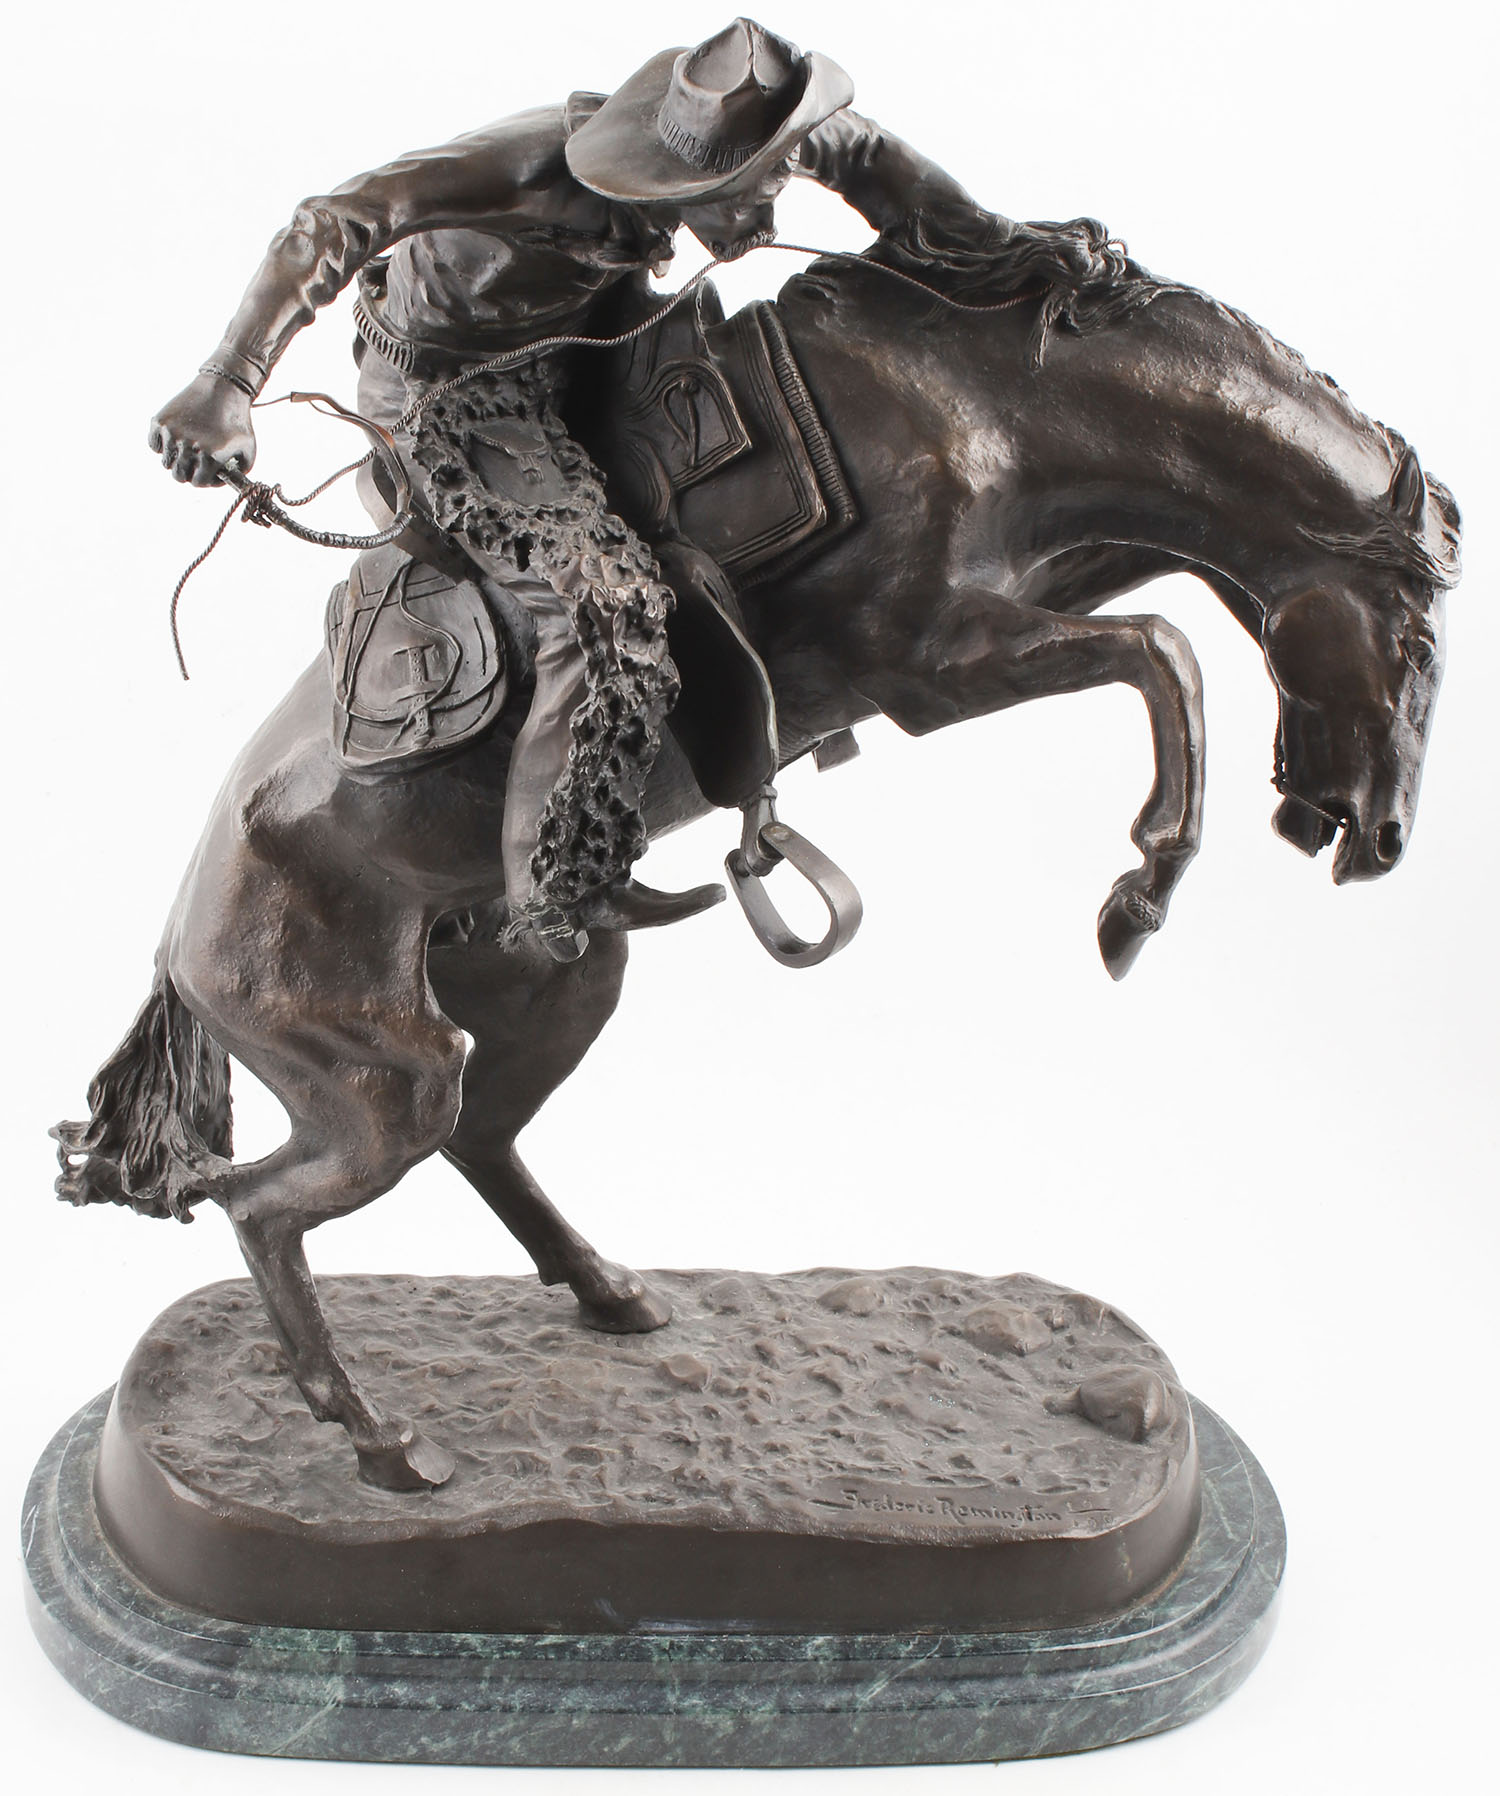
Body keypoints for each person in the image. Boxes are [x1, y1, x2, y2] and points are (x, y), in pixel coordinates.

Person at [149, 18, 976, 959]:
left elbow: (872, 158)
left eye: (774, 182)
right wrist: (226, 383)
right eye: (747, 197)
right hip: (449, 398)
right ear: (684, 179)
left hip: (588, 348)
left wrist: (995, 249)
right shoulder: (525, 169)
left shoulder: (754, 131)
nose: (768, 218)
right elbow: (332, 222)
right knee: (601, 601)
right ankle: (556, 879)